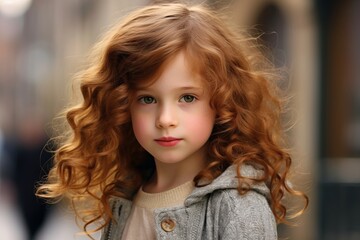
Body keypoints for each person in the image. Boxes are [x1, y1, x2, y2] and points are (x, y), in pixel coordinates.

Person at [37, 3, 308, 239]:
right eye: (147, 99)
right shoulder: (125, 194)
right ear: (122, 106)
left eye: (187, 98)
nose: (165, 119)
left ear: (223, 103)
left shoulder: (239, 207)